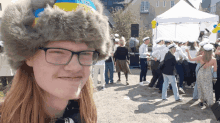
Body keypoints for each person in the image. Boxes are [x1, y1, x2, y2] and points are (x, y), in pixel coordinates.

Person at [0, 0, 113, 122]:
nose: (75, 67)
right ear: (29, 56)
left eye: (85, 53)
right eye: (58, 52)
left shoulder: (87, 117)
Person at [186, 43, 217, 108]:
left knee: (201, 87)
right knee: (208, 88)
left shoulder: (200, 57)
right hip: (208, 74)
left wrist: (188, 52)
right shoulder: (214, 59)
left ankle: (201, 101)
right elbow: (215, 69)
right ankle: (209, 102)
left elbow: (190, 59)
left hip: (201, 73)